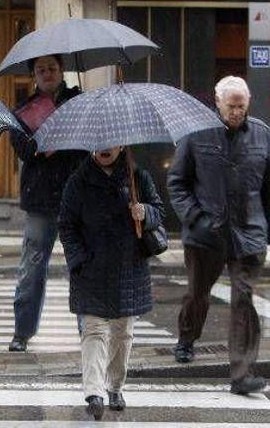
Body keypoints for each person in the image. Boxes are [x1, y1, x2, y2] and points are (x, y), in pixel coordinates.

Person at [167, 76, 270, 395]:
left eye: (241, 106)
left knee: (243, 298)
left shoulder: (261, 134)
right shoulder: (195, 131)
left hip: (249, 233)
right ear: (217, 103)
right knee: (197, 294)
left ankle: (242, 374)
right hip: (206, 234)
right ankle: (187, 339)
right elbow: (177, 183)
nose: (236, 112)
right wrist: (196, 218)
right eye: (231, 106)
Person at [59, 146, 164, 420]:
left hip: (128, 268)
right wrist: (79, 260)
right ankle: (94, 392)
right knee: (93, 331)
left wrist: (146, 213)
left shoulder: (137, 177)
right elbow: (67, 225)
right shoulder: (78, 181)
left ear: (122, 146)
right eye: (100, 144)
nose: (106, 148)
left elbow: (159, 210)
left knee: (122, 332)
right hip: (91, 270)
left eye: (112, 142)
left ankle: (114, 386)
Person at [9, 54, 87, 352]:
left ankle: (87, 331)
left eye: (52, 68)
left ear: (61, 70)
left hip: (76, 198)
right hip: (39, 200)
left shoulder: (79, 103)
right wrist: (52, 138)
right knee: (31, 268)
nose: (47, 73)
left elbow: (89, 142)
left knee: (81, 267)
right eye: (41, 70)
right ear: (34, 75)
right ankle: (22, 331)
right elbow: (25, 150)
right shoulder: (24, 111)